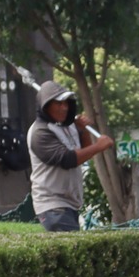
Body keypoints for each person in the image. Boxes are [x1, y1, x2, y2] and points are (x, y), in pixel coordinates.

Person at [28, 80, 114, 232]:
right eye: (59, 104)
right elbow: (68, 159)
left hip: (69, 205)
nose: (64, 108)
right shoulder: (40, 132)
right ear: (46, 105)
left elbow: (84, 153)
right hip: (53, 206)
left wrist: (83, 130)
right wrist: (99, 146)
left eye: (66, 103)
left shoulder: (68, 126)